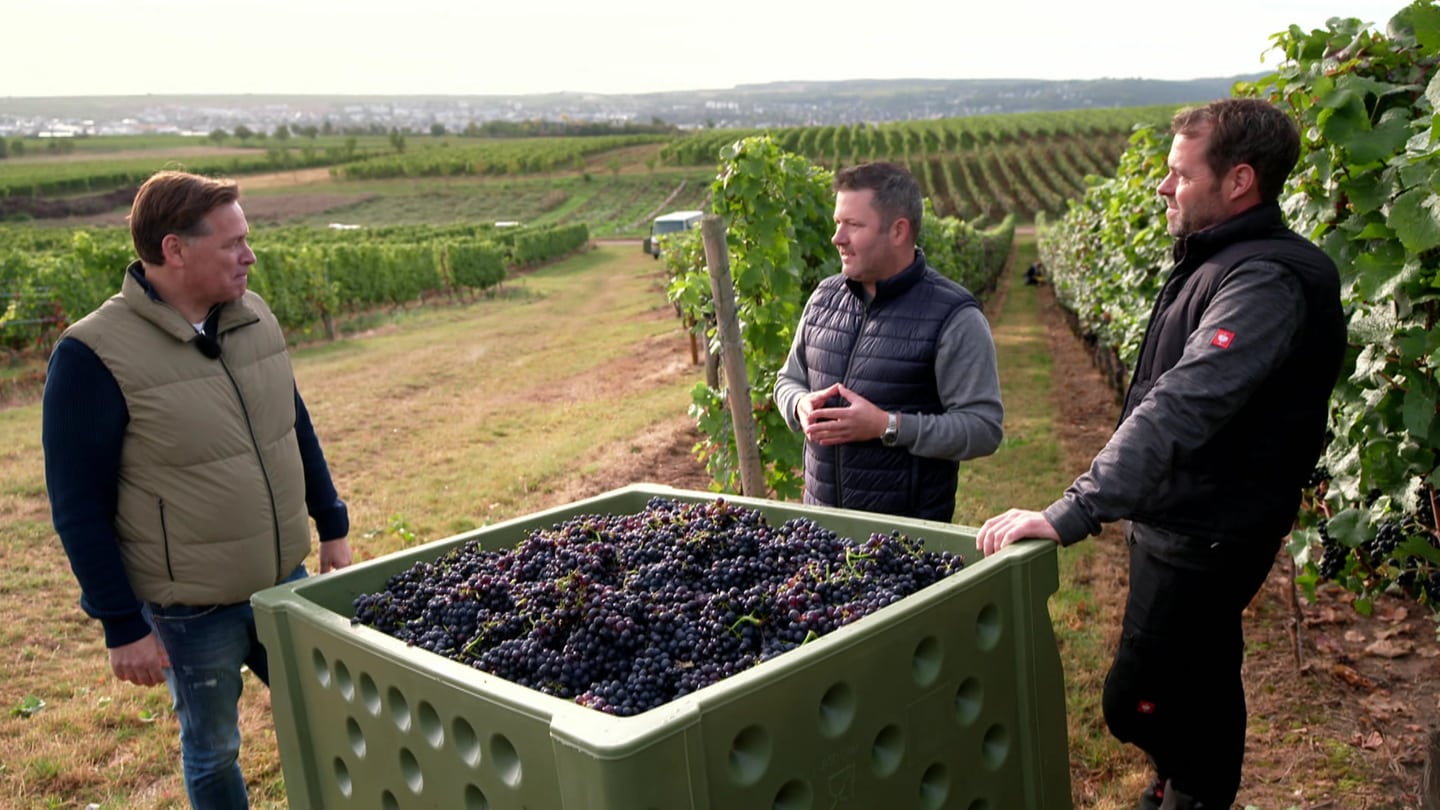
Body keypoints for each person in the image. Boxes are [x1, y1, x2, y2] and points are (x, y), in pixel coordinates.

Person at [976, 98, 1346, 809]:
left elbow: (1185, 400)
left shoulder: (1263, 281)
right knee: (1199, 672)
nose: (1163, 186)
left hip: (1208, 528)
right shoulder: (1226, 260)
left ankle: (1191, 792)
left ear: (1239, 181)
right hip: (1188, 515)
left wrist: (1073, 510)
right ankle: (1187, 789)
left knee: (1136, 698)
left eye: (1179, 173)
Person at [41, 170, 353, 809]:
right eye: (232, 242)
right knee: (213, 750)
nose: (250, 254)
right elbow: (77, 507)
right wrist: (122, 626)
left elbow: (291, 426)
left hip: (282, 581)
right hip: (190, 610)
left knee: (335, 713)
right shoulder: (92, 355)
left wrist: (333, 524)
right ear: (174, 250)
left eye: (248, 238)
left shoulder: (254, 317)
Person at [773, 161, 1003, 522]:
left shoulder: (954, 317)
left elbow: (983, 428)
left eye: (853, 225)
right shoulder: (822, 298)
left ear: (898, 231)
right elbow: (787, 379)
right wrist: (799, 405)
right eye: (837, 223)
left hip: (903, 547)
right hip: (817, 531)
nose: (838, 238)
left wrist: (887, 426)